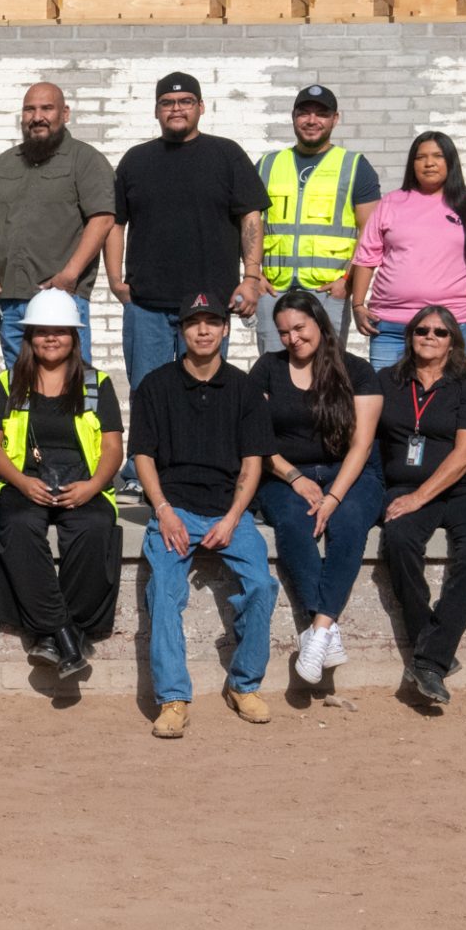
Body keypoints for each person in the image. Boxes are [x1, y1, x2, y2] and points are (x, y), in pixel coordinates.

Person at [129, 292, 278, 739]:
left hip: (228, 512)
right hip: (172, 510)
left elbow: (254, 462)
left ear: (226, 329)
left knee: (260, 587)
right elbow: (142, 456)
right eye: (194, 322)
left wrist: (234, 518)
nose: (203, 330)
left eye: (213, 321)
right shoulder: (155, 386)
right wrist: (163, 511)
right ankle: (173, 699)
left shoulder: (245, 388)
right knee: (165, 593)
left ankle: (244, 685)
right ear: (181, 330)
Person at [0, 288, 124, 683]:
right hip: (24, 482)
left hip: (84, 484)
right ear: (28, 338)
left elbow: (113, 447)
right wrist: (21, 482)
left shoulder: (98, 383)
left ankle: (51, 636)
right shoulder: (7, 382)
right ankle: (66, 635)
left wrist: (93, 487)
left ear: (74, 337)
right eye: (41, 331)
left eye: (60, 331)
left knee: (95, 529)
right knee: (20, 526)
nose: (50, 338)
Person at [248, 289, 387, 685]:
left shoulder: (357, 370)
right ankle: (326, 629)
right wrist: (294, 476)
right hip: (286, 473)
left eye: (299, 328)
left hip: (351, 472)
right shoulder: (267, 368)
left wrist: (333, 497)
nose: (292, 338)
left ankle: (320, 629)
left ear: (319, 324)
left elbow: (361, 445)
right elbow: (256, 436)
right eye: (284, 332)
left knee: (347, 523)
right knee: (293, 523)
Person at [375, 304, 466, 707]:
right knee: (398, 540)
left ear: (454, 340)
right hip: (405, 485)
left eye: (440, 332)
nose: (429, 337)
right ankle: (433, 651)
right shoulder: (387, 382)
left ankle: (429, 661)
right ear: (410, 337)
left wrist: (417, 497)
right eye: (421, 331)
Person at [105, 71, 268, 380]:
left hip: (208, 307)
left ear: (201, 107)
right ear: (156, 110)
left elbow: (250, 217)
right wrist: (115, 281)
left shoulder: (227, 155)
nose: (176, 108)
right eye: (167, 102)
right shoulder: (136, 160)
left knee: (205, 397)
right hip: (146, 305)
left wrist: (251, 278)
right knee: (148, 395)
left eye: (185, 101)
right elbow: (115, 223)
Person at [350, 131, 466, 370]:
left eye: (437, 156)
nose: (429, 163)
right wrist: (358, 305)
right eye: (421, 157)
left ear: (450, 161)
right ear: (412, 163)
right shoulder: (392, 202)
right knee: (387, 400)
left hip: (450, 325)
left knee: (443, 400)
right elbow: (367, 256)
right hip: (391, 324)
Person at [0, 81, 114, 368]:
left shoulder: (85, 160)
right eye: (29, 109)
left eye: (46, 108)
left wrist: (69, 275)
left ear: (65, 113)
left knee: (71, 383)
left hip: (61, 298)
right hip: (11, 298)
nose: (37, 116)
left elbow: (102, 219)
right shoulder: (4, 164)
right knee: (19, 383)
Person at [253, 85, 381, 353]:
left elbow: (370, 234)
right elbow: (249, 225)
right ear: (293, 116)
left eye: (321, 114)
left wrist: (347, 281)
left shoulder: (355, 166)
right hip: (274, 291)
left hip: (328, 292)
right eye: (304, 113)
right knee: (274, 376)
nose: (312, 120)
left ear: (335, 119)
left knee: (326, 375)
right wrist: (253, 275)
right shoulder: (267, 164)